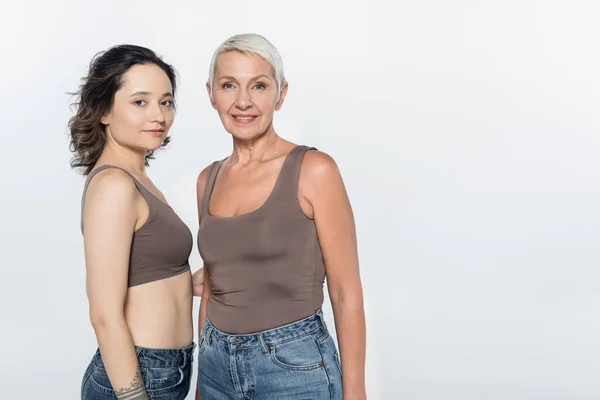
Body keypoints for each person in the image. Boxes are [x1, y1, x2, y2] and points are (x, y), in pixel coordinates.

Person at [193, 33, 367, 400]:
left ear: (281, 94)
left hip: (294, 367)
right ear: (211, 94)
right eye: (229, 85)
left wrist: (356, 394)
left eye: (258, 85)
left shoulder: (314, 170)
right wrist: (201, 383)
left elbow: (345, 291)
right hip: (214, 367)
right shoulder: (207, 180)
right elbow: (211, 287)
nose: (243, 101)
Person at [70, 44, 195, 400]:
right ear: (104, 111)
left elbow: (148, 275)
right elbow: (104, 314)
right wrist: (133, 395)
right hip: (137, 376)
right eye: (139, 102)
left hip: (165, 369)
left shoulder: (136, 177)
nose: (158, 115)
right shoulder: (114, 185)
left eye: (166, 101)